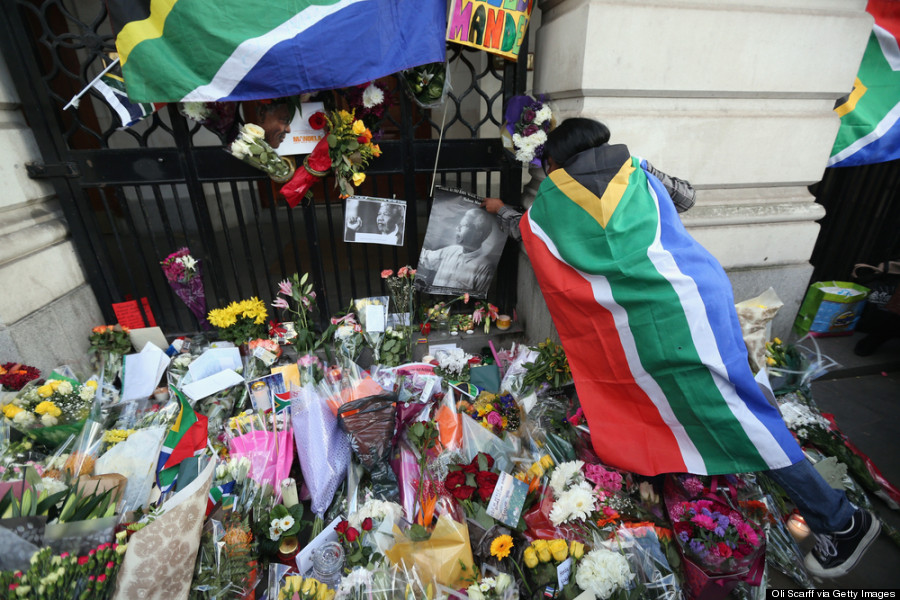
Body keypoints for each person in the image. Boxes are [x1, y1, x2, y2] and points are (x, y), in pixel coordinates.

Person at [486, 117, 879, 579]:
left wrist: (501, 210)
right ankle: (688, 499)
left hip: (649, 324)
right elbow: (687, 196)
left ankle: (841, 520)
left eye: (546, 165)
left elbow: (530, 237)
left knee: (741, 421)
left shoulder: (552, 202)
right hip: (694, 303)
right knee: (709, 409)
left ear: (554, 161)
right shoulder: (637, 170)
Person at [417, 207, 495, 296]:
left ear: (478, 234)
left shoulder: (485, 267)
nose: (457, 228)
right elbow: (425, 258)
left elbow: (479, 300)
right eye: (459, 225)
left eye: (463, 225)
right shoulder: (451, 250)